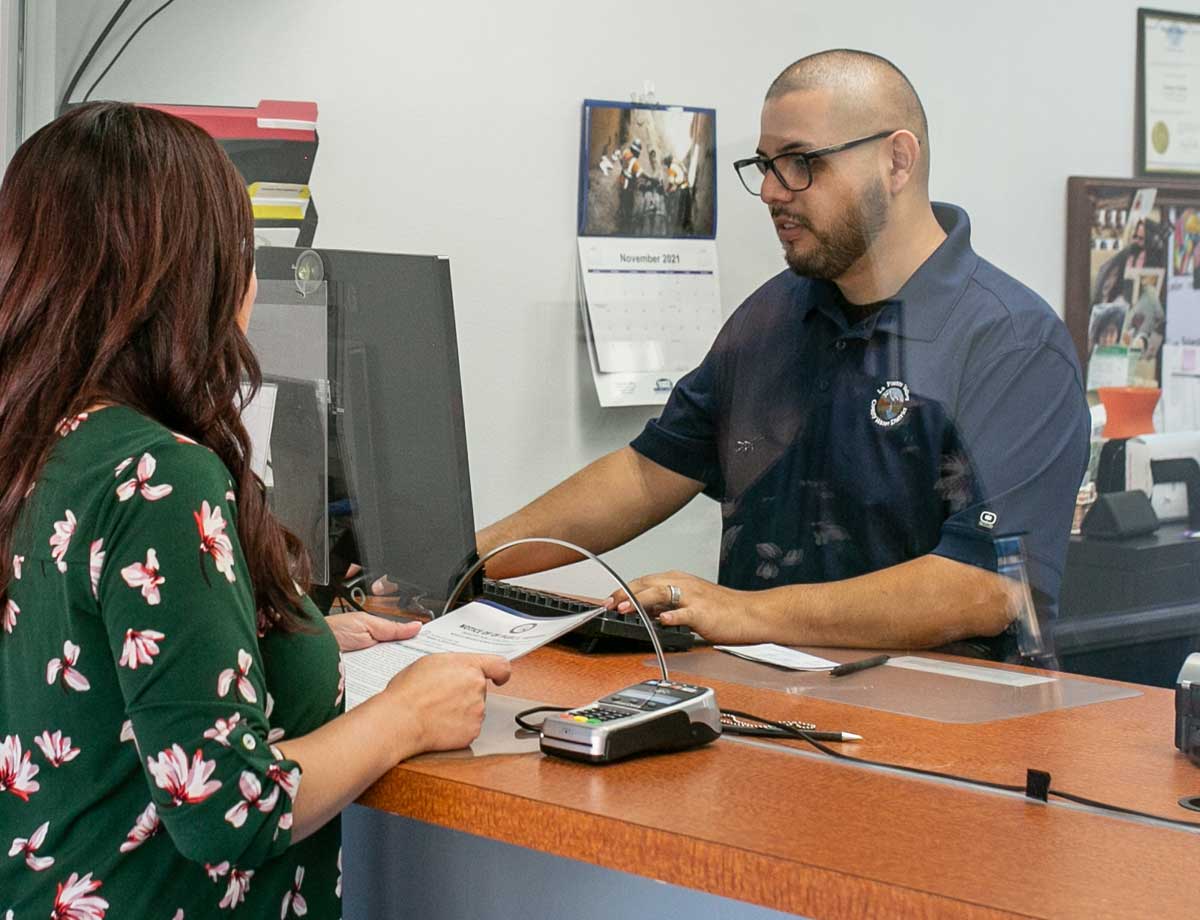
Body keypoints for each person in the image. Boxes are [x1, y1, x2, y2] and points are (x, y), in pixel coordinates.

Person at [0, 103, 510, 917]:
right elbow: (226, 808)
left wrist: (262, 626)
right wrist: (406, 716)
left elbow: (80, 659)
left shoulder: (41, 439)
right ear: (186, 274)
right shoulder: (161, 473)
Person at [478, 50, 1090, 657]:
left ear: (897, 162)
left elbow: (984, 585)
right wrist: (469, 559)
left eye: (801, 163)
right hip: (767, 705)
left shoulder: (1013, 343)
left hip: (943, 725)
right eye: (766, 165)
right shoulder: (773, 315)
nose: (772, 191)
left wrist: (744, 612)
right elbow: (647, 472)